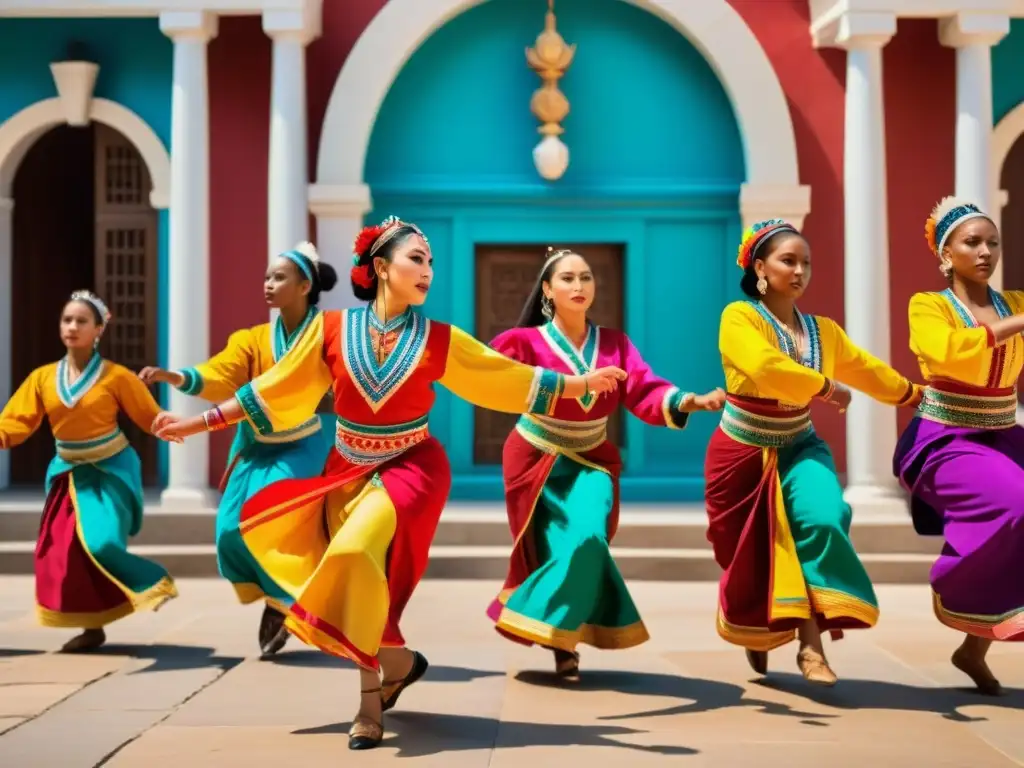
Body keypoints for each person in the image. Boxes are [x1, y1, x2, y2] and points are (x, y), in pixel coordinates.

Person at [150, 218, 627, 750]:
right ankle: (388, 674)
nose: (427, 270)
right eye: (416, 259)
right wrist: (198, 422)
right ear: (380, 267)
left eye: (430, 262)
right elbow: (275, 388)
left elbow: (500, 376)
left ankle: (373, 693)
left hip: (413, 467)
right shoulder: (329, 331)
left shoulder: (439, 339)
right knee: (367, 579)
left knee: (356, 550)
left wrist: (576, 383)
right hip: (346, 469)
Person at [486, 247, 725, 680]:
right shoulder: (523, 342)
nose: (579, 286)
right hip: (536, 459)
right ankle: (564, 641)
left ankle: (545, 621)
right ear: (547, 290)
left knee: (588, 540)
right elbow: (491, 377)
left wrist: (689, 400)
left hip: (590, 459)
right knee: (552, 550)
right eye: (567, 278)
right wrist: (571, 384)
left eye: (586, 277)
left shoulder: (614, 344)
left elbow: (644, 387)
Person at [704, 219, 921, 686]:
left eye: (806, 262)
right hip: (741, 452)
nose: (799, 270)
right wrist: (824, 386)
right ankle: (756, 631)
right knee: (748, 554)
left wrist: (911, 394)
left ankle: (811, 646)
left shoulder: (823, 331)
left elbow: (866, 368)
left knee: (822, 517)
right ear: (760, 267)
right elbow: (765, 366)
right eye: (788, 260)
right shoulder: (738, 317)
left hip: (800, 445)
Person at [138, 243, 338, 658]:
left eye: (279, 277)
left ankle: (288, 602)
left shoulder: (328, 334)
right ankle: (275, 600)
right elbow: (219, 373)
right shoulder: (252, 340)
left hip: (303, 444)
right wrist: (175, 377)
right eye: (266, 277)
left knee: (273, 521)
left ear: (305, 285)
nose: (268, 284)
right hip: (254, 444)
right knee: (229, 531)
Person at [894, 197, 1024, 695]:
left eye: (993, 242)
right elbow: (947, 354)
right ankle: (954, 580)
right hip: (945, 438)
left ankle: (972, 648)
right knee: (1013, 502)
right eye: (973, 242)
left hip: (1003, 435)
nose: (986, 251)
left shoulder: (1013, 301)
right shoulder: (929, 307)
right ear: (946, 254)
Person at [0, 291, 176, 652]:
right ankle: (92, 627)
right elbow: (15, 423)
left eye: (81, 321)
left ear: (98, 330)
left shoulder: (116, 377)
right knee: (65, 554)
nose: (72, 327)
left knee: (102, 542)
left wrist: (183, 426)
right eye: (67, 320)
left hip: (110, 470)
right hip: (68, 472)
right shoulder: (43, 378)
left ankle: (154, 580)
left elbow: (150, 416)